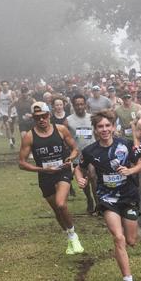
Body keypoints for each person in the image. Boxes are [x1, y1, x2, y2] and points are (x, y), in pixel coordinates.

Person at [73, 112, 141, 281]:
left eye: (107, 126)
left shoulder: (126, 144)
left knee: (131, 240)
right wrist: (81, 180)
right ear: (95, 130)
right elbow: (78, 168)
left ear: (113, 127)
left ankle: (125, 252)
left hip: (128, 196)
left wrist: (130, 170)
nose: (104, 130)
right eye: (100, 127)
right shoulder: (90, 151)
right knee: (118, 238)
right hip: (107, 198)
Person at [18, 101, 84, 255]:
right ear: (33, 119)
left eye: (44, 116)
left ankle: (74, 236)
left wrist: (69, 159)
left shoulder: (60, 130)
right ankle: (69, 237)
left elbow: (75, 149)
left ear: (49, 115)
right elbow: (22, 163)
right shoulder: (29, 136)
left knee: (61, 204)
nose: (41, 120)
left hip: (62, 172)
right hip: (45, 175)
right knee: (56, 210)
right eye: (37, 117)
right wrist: (43, 169)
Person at [67, 94, 98, 216]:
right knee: (83, 181)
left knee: (93, 178)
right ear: (73, 106)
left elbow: (97, 133)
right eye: (77, 104)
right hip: (78, 155)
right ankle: (89, 199)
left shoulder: (92, 118)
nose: (80, 106)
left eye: (81, 104)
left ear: (85, 105)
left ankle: (98, 204)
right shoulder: (68, 120)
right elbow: (66, 138)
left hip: (93, 154)